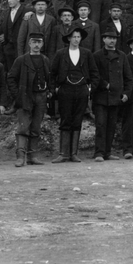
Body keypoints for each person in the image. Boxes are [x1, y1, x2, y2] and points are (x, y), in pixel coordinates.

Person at [51, 27, 96, 163]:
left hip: (82, 90)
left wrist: (90, 89)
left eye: (78, 37)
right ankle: (63, 153)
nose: (76, 39)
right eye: (74, 37)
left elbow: (94, 73)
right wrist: (55, 89)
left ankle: (74, 154)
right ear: (69, 38)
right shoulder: (60, 53)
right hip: (65, 89)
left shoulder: (87, 53)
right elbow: (53, 73)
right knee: (65, 119)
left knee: (77, 120)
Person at [9, 34, 51, 167]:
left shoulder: (45, 60)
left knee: (36, 127)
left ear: (42, 44)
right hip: (25, 97)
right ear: (29, 44)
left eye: (39, 42)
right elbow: (11, 78)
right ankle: (20, 157)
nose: (36, 45)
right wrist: (18, 95)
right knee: (23, 127)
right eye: (34, 42)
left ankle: (33, 156)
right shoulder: (21, 60)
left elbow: (50, 78)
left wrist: (49, 91)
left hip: (41, 97)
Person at [92, 30, 133, 162]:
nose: (112, 41)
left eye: (114, 38)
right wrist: (105, 85)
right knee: (101, 124)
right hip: (101, 96)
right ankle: (99, 153)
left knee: (111, 126)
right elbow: (94, 74)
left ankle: (108, 153)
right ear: (103, 39)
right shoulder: (97, 55)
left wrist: (126, 93)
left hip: (116, 97)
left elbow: (128, 77)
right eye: (109, 38)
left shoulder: (122, 56)